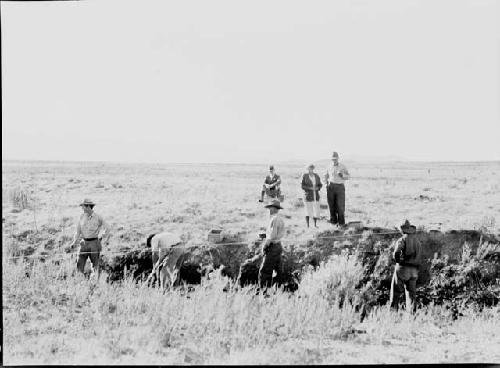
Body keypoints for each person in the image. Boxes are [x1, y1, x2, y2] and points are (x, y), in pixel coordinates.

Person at [70, 198, 111, 276]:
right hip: (83, 243)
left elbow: (107, 228)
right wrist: (74, 242)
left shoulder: (98, 217)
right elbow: (78, 231)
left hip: (94, 243)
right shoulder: (81, 217)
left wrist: (103, 236)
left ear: (88, 206)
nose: (82, 208)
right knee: (79, 264)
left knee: (95, 265)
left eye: (83, 206)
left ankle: (95, 282)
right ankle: (80, 281)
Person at [389, 220, 423, 313]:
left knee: (395, 291)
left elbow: (396, 253)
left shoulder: (402, 240)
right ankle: (412, 315)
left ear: (402, 230)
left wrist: (398, 261)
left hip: (403, 268)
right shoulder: (417, 241)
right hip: (414, 271)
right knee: (411, 294)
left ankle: (392, 314)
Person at [258, 199, 285, 289]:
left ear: (274, 209)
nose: (269, 210)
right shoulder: (279, 218)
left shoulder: (274, 219)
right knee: (278, 270)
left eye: (270, 208)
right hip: (278, 246)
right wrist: (265, 235)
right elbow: (275, 234)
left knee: (265, 270)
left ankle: (263, 291)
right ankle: (279, 289)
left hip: (273, 247)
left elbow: (272, 236)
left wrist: (265, 246)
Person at [325, 151, 350, 227]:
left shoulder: (343, 166)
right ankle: (333, 223)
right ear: (331, 159)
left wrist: (342, 175)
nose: (334, 160)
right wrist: (326, 184)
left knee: (340, 206)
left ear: (338, 158)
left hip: (340, 187)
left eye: (335, 158)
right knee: (331, 205)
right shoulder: (329, 166)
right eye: (333, 159)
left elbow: (348, 176)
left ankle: (341, 224)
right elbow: (326, 175)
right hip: (331, 187)